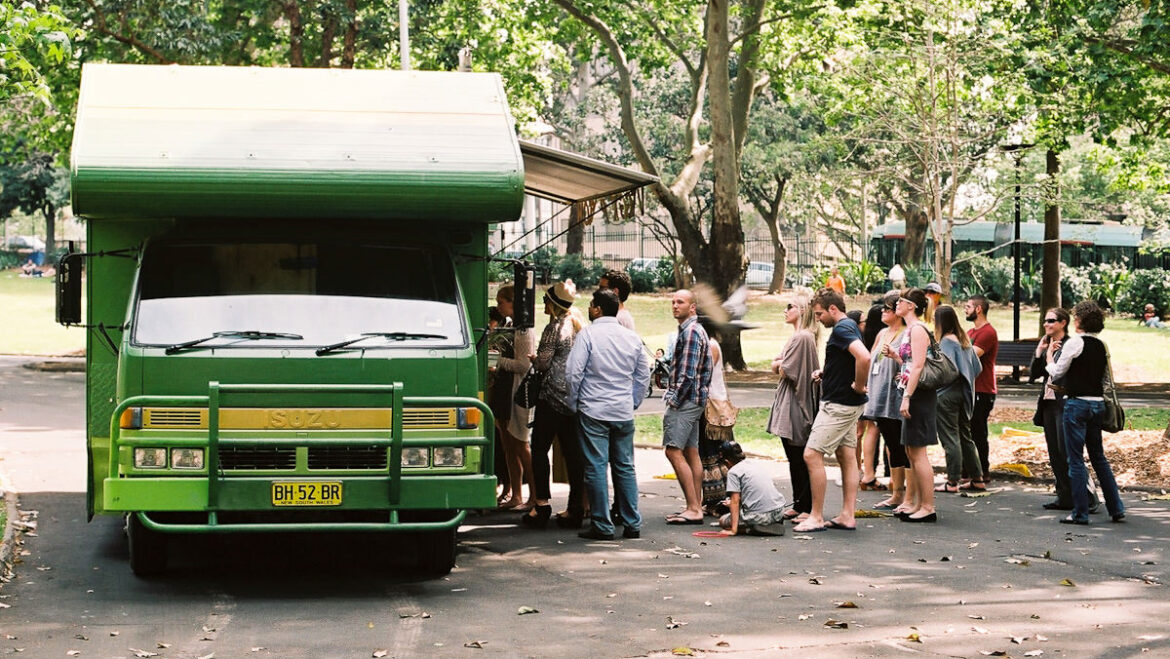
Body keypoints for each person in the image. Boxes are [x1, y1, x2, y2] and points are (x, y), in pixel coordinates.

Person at [565, 289, 651, 541]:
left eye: (592, 305)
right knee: (625, 466)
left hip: (594, 408)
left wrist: (573, 402)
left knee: (596, 466)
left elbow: (573, 373)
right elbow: (642, 375)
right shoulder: (631, 338)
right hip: (622, 410)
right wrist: (633, 401)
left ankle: (602, 525)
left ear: (598, 309)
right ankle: (632, 521)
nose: (590, 308)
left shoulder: (588, 335)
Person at [793, 288, 869, 533]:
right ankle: (847, 515)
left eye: (819, 314)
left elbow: (864, 358)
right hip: (846, 403)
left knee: (811, 455)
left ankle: (815, 516)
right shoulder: (849, 326)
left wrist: (858, 385)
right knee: (847, 456)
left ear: (833, 309)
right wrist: (828, 373)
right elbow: (846, 359)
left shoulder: (842, 328)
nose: (818, 319)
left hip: (839, 405)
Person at [1046, 301, 1126, 525]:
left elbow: (1058, 372)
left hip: (1077, 404)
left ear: (1079, 320)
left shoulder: (1075, 343)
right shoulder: (1101, 345)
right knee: (1099, 457)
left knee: (1075, 460)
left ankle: (1080, 512)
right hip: (1097, 404)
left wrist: (1049, 359)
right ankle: (1116, 507)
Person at [522, 281, 587, 528]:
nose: (543, 303)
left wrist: (535, 359)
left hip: (551, 397)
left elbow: (544, 364)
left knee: (539, 448)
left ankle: (541, 504)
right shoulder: (577, 326)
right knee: (573, 454)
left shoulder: (554, 328)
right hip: (573, 397)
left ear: (553, 304)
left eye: (546, 299)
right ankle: (576, 507)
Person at [1032, 307, 1100, 512]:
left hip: (1066, 403)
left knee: (1068, 452)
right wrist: (1040, 352)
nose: (1046, 324)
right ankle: (1064, 496)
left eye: (1051, 320)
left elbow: (1068, 377)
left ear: (1063, 323)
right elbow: (1034, 374)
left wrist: (1052, 361)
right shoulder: (1048, 345)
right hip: (1049, 405)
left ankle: (1088, 495)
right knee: (1054, 452)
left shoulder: (1072, 345)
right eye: (1045, 320)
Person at [766, 298, 820, 523]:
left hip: (796, 403)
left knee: (799, 454)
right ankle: (799, 503)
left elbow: (785, 369)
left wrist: (778, 363)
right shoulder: (801, 336)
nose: (785, 310)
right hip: (789, 399)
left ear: (802, 310)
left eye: (790, 306)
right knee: (793, 455)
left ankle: (807, 505)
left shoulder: (802, 337)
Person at [661, 289, 713, 525]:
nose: (674, 305)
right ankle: (694, 506)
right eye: (673, 302)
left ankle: (694, 508)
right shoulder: (692, 330)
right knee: (691, 451)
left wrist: (673, 399)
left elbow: (687, 375)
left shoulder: (691, 332)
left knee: (673, 450)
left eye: (680, 302)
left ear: (692, 307)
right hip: (695, 400)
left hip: (687, 400)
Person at [894, 288, 939, 522]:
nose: (896, 305)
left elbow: (919, 366)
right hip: (911, 392)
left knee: (919, 452)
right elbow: (909, 363)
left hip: (919, 395)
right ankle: (919, 503)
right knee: (911, 451)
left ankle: (928, 506)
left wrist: (907, 396)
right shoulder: (909, 330)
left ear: (911, 305)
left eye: (900, 301)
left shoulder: (919, 330)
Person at [933, 305, 984, 493]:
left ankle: (952, 481)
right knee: (965, 436)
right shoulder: (964, 341)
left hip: (946, 394)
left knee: (950, 437)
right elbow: (977, 368)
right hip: (965, 393)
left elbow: (944, 371)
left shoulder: (946, 342)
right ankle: (977, 478)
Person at [493, 284, 535, 511]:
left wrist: (497, 361)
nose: (499, 306)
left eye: (502, 302)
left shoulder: (523, 330)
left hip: (517, 390)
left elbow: (524, 364)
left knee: (520, 443)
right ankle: (516, 494)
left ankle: (535, 494)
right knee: (508, 445)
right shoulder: (509, 326)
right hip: (504, 390)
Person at [866, 293, 909, 511]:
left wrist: (896, 358)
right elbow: (870, 360)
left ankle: (905, 494)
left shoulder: (905, 334)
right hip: (878, 397)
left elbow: (912, 365)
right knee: (891, 445)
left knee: (900, 446)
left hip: (895, 397)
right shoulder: (882, 333)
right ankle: (896, 493)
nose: (883, 312)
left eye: (887, 309)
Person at [699, 317, 736, 516]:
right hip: (714, 405)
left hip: (713, 407)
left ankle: (718, 499)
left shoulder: (711, 345)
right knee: (710, 453)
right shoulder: (713, 344)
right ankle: (714, 499)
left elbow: (704, 374)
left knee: (714, 454)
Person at [716, 440, 787, 536]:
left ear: (727, 462)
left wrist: (733, 530)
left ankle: (753, 528)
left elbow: (735, 501)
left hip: (759, 516)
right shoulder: (754, 464)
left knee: (723, 521)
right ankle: (770, 523)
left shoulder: (733, 472)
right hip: (779, 511)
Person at [965, 295, 999, 487]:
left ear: (978, 309)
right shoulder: (970, 331)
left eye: (968, 306)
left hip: (983, 388)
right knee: (967, 431)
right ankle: (968, 471)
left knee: (978, 431)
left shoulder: (987, 332)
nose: (965, 309)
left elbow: (971, 355)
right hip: (970, 387)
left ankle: (983, 471)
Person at [858, 303, 888, 490]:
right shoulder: (884, 335)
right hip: (879, 386)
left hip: (866, 386)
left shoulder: (864, 337)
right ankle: (892, 476)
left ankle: (867, 471)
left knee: (868, 430)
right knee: (885, 431)